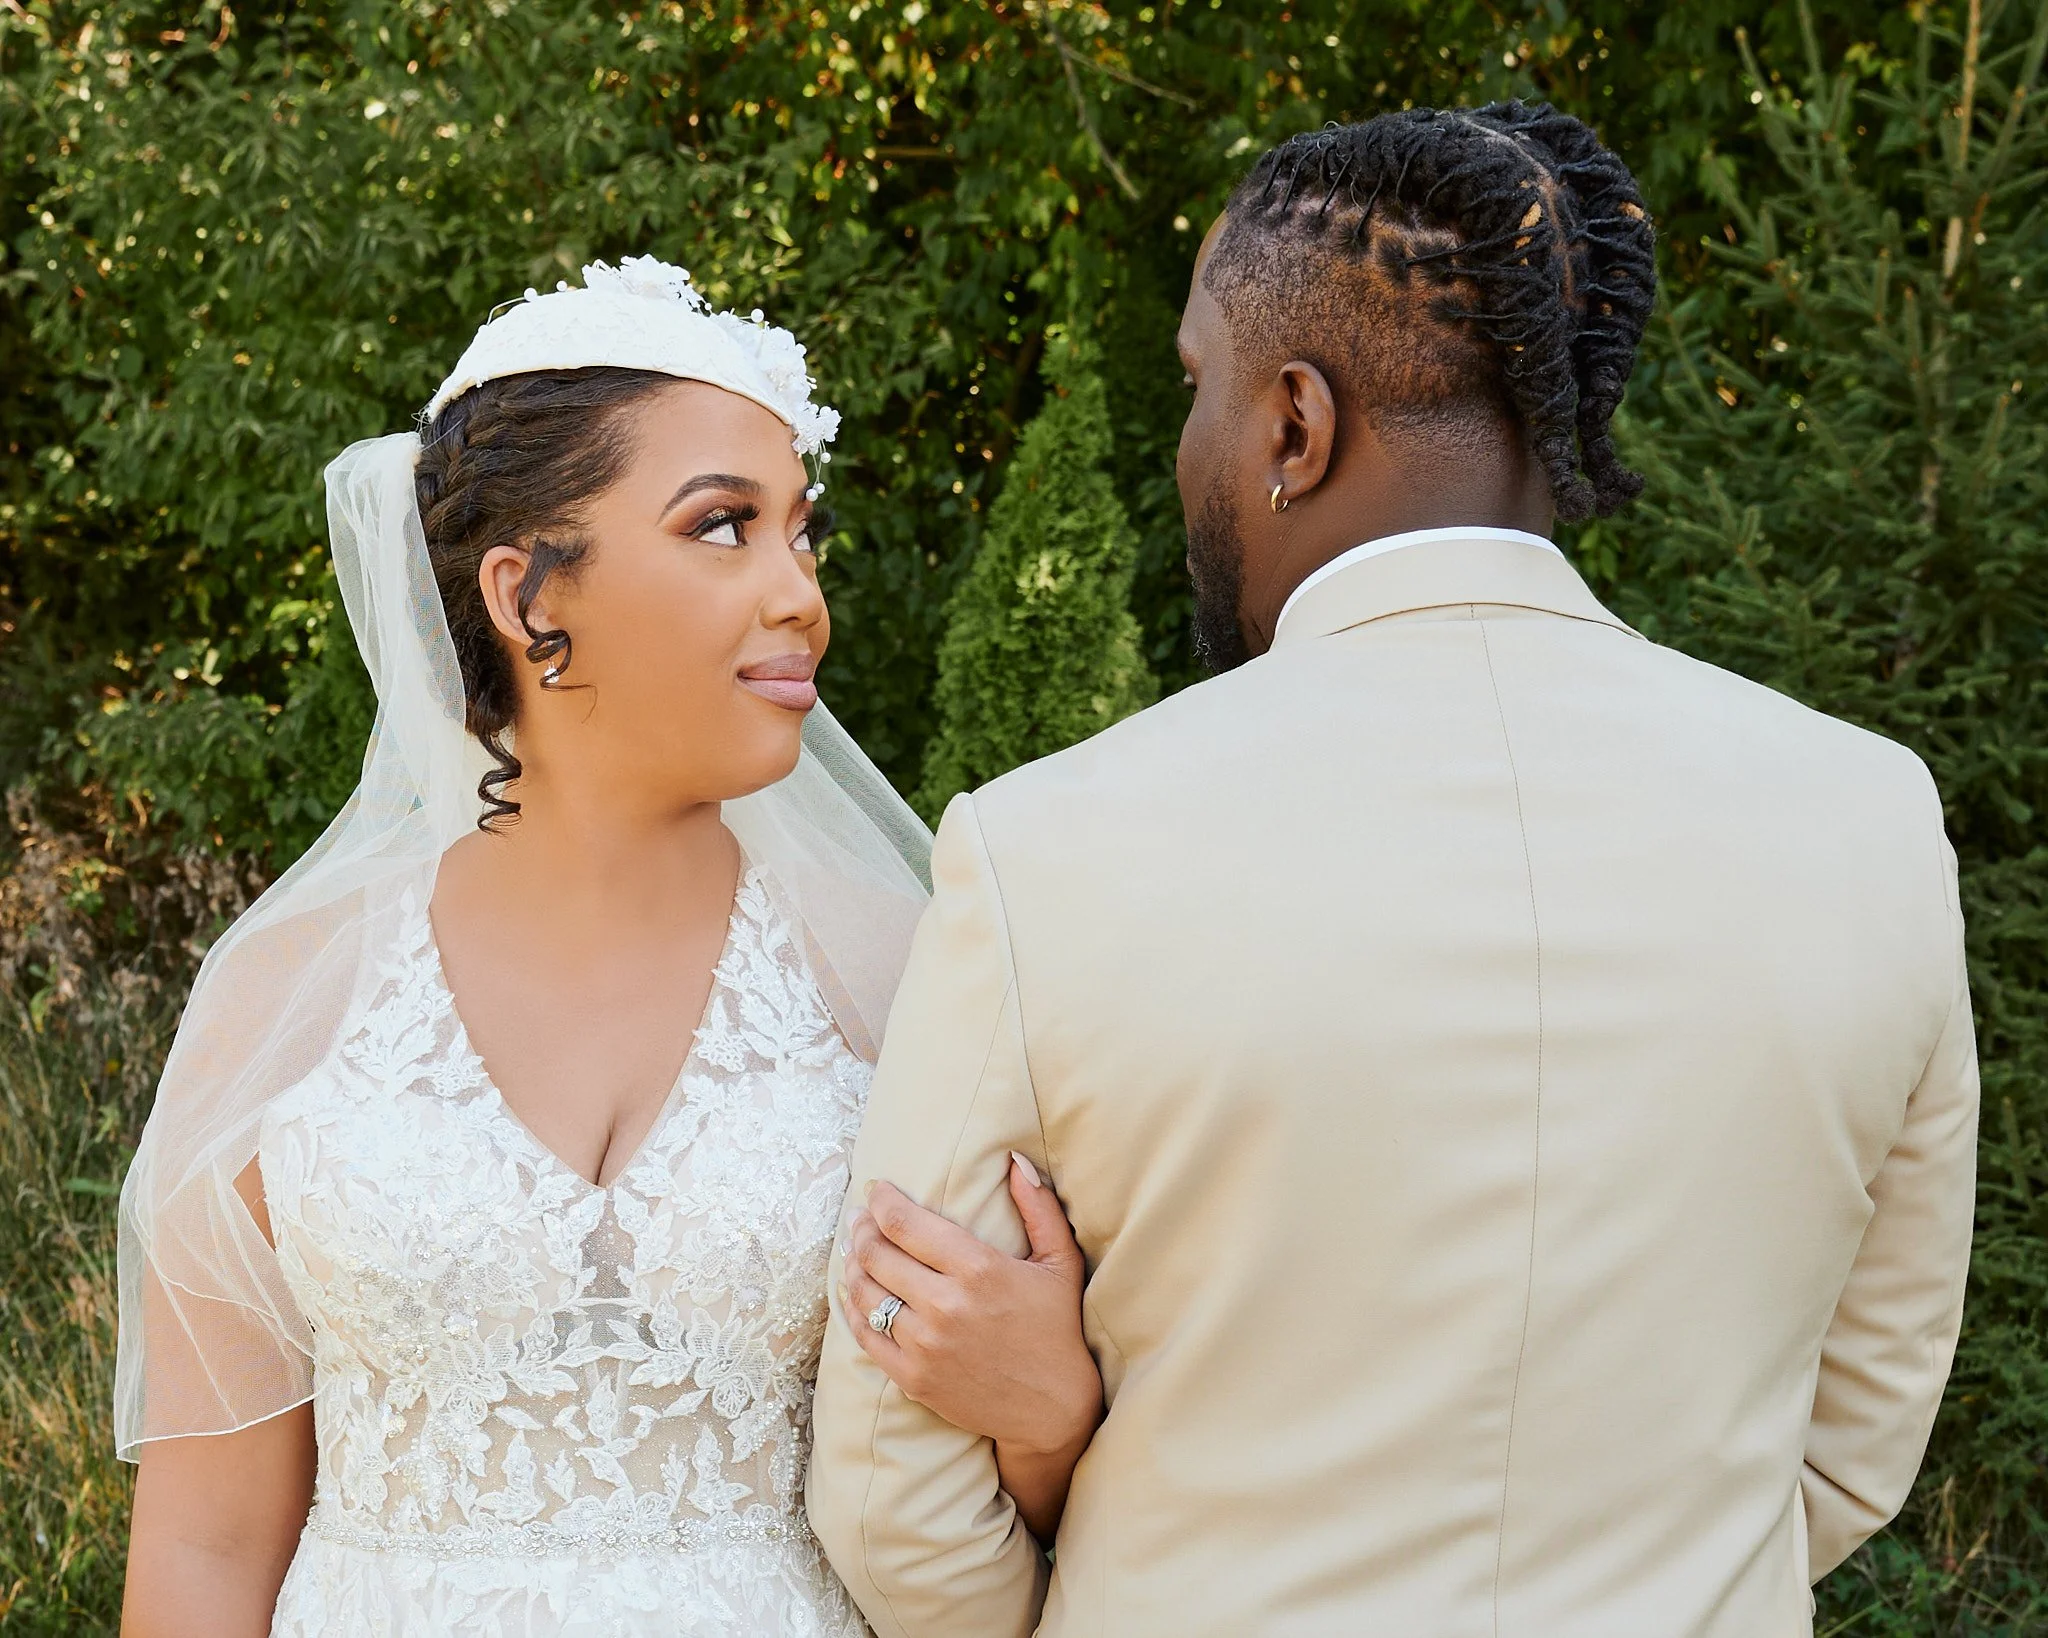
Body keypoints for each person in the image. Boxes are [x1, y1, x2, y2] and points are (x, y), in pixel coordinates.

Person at [810, 102, 1978, 1637]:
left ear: (1294, 423)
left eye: (1195, 388)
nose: (1188, 447)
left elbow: (895, 1486)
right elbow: (1850, 1439)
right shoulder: (1870, 817)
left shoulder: (1049, 845)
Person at [116, 258, 1101, 1637]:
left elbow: (1013, 1514)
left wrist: (1052, 1414)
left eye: (799, 534)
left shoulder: (901, 971)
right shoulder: (285, 995)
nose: (799, 593)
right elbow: (207, 1552)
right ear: (527, 598)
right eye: (722, 528)